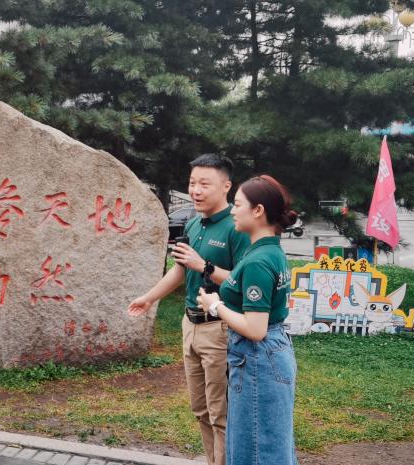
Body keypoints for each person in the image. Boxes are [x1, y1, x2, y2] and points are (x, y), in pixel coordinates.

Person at [127, 154, 249, 465]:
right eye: (193, 183)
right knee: (201, 410)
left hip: (219, 328)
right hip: (190, 325)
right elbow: (181, 269)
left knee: (221, 413)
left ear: (226, 186)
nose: (195, 190)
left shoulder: (237, 228)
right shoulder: (194, 223)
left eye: (204, 184)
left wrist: (203, 265)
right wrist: (149, 298)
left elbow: (243, 281)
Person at [197, 174, 299, 465]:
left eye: (238, 204)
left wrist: (215, 306)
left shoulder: (258, 261)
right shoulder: (268, 251)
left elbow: (256, 329)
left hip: (257, 358)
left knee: (256, 450)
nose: (232, 210)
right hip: (266, 356)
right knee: (265, 443)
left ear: (258, 210)